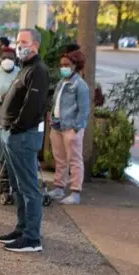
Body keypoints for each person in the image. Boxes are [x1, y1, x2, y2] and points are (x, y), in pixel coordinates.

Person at [0, 28, 49, 252]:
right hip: (12, 135)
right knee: (18, 186)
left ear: (35, 45)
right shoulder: (24, 68)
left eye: (24, 41)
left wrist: (15, 127)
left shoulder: (38, 70)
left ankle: (32, 238)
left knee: (29, 188)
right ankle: (22, 229)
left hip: (22, 136)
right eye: (18, 41)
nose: (20, 45)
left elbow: (33, 105)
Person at [47, 49, 90, 205]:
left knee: (74, 160)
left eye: (66, 64)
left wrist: (76, 127)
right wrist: (52, 116)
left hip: (70, 128)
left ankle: (75, 192)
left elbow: (84, 109)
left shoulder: (80, 85)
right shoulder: (61, 82)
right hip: (57, 125)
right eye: (61, 65)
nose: (63, 67)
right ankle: (59, 188)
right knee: (60, 159)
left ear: (75, 65)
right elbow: (55, 102)